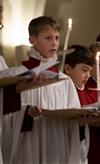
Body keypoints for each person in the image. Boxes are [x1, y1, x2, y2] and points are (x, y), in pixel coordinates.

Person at [2, 16, 82, 163]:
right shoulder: (15, 76)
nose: (55, 43)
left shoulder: (64, 81)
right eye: (48, 38)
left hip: (57, 143)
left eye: (57, 38)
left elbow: (74, 115)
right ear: (32, 40)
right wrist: (26, 113)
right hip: (27, 143)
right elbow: (5, 118)